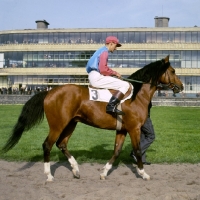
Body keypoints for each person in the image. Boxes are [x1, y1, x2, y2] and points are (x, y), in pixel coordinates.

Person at [86, 36, 130, 115]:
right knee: (125, 85)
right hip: (97, 77)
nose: (116, 48)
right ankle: (111, 106)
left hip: (93, 75)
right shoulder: (104, 52)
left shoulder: (100, 50)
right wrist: (115, 73)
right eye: (116, 46)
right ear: (111, 43)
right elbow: (103, 69)